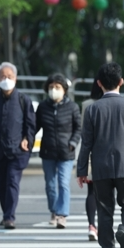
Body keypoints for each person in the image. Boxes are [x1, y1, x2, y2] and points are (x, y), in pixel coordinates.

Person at [76, 62, 124, 248]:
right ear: (121, 82)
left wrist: (82, 170)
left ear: (99, 83)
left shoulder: (92, 110)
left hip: (101, 168)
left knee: (104, 210)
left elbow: (86, 143)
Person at [0, 62, 36, 229]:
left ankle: (9, 217)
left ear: (15, 78)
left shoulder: (23, 100)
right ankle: (6, 214)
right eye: (3, 76)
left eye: (9, 76)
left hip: (18, 150)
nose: (6, 79)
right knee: (1, 184)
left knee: (12, 181)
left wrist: (27, 139)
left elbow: (31, 124)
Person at [36, 73, 81, 229]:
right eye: (51, 87)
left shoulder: (73, 107)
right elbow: (34, 126)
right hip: (48, 151)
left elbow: (78, 128)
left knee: (63, 183)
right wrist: (25, 139)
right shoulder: (43, 107)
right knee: (50, 185)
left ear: (64, 90)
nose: (54, 90)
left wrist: (73, 142)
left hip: (65, 151)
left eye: (57, 87)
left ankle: (62, 215)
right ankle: (54, 211)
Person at [79, 78, 103, 241]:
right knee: (107, 194)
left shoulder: (87, 104)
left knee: (91, 192)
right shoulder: (112, 103)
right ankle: (102, 226)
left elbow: (84, 134)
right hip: (109, 155)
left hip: (91, 153)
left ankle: (91, 226)